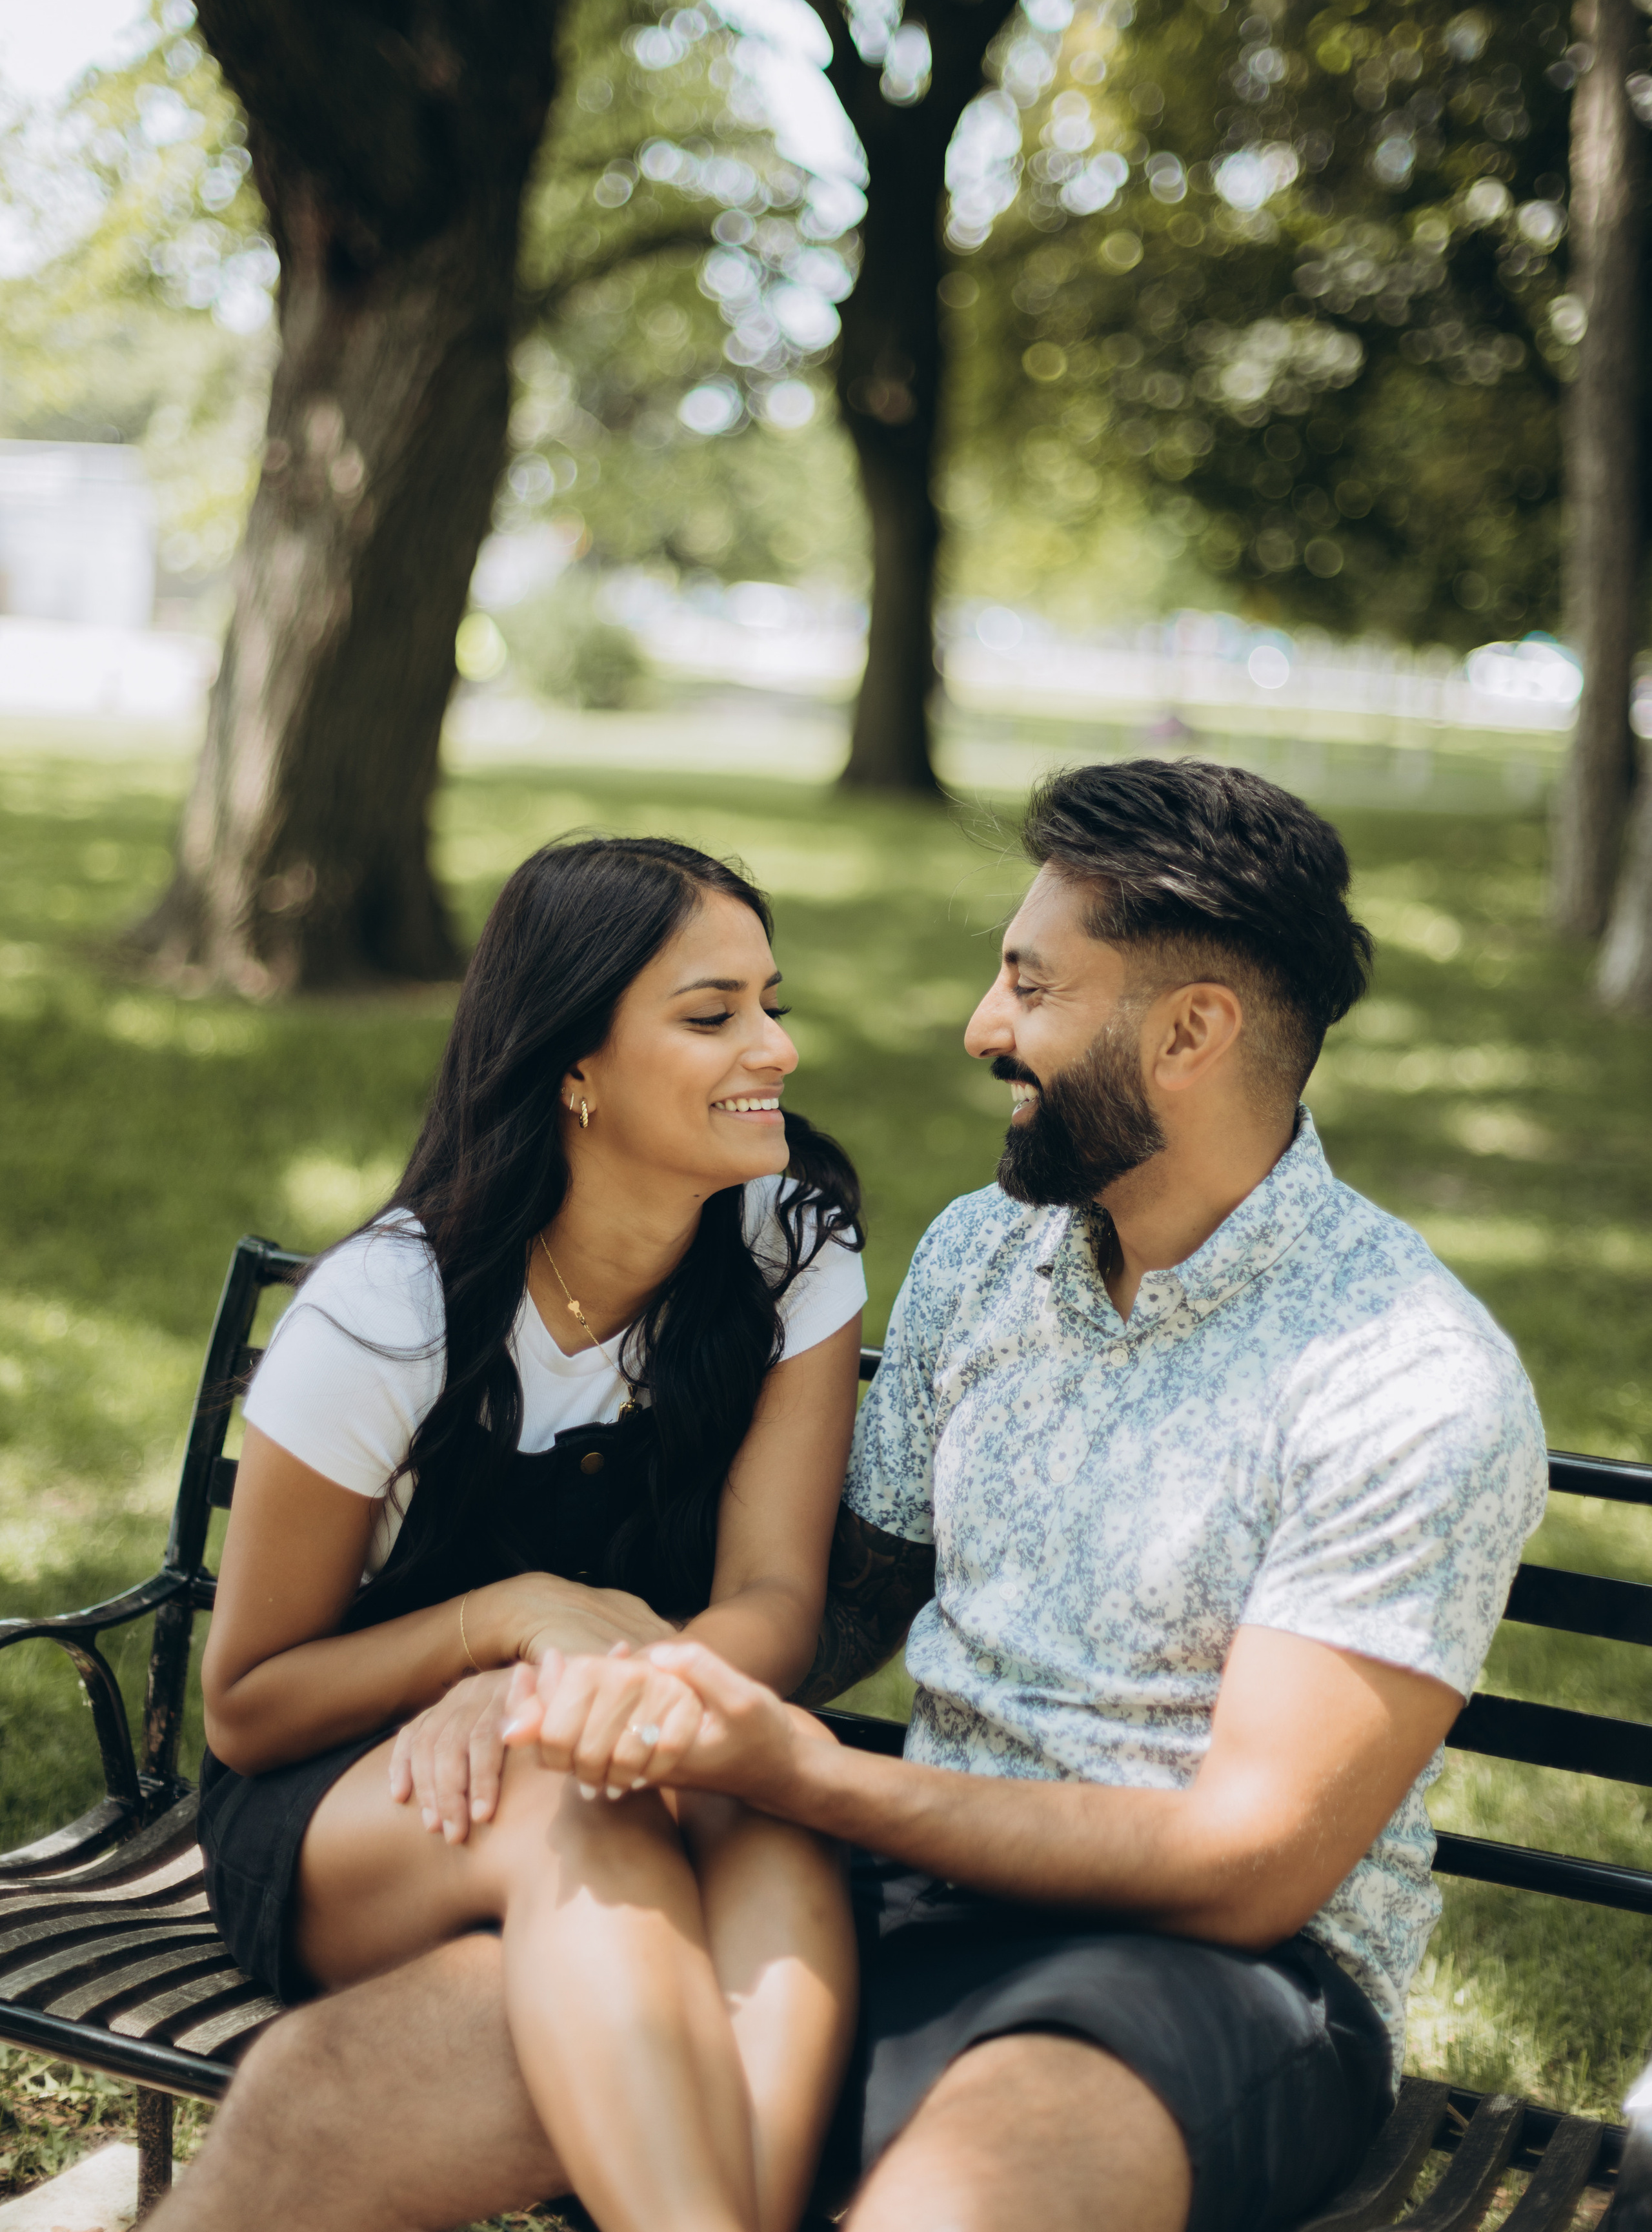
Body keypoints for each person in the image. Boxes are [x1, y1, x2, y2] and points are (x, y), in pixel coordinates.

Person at [150, 760, 1547, 2232]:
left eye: (1030, 988)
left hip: (1205, 1979)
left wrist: (798, 1776)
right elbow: (829, 1609)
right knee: (325, 2100)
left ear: (1190, 1032)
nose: (981, 1028)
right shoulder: (984, 1260)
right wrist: (538, 1694)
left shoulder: (1402, 1380)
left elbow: (1245, 1869)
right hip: (906, 1890)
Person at [193, 835, 869, 2232]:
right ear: (574, 1068)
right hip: (353, 1800)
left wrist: (569, 1697)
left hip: (647, 1735)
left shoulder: (789, 1247)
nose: (777, 1049)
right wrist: (499, 1629)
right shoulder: (390, 1311)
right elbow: (249, 1707)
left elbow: (773, 1603)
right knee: (574, 1799)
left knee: (774, 1816)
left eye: (772, 1001)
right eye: (713, 1016)